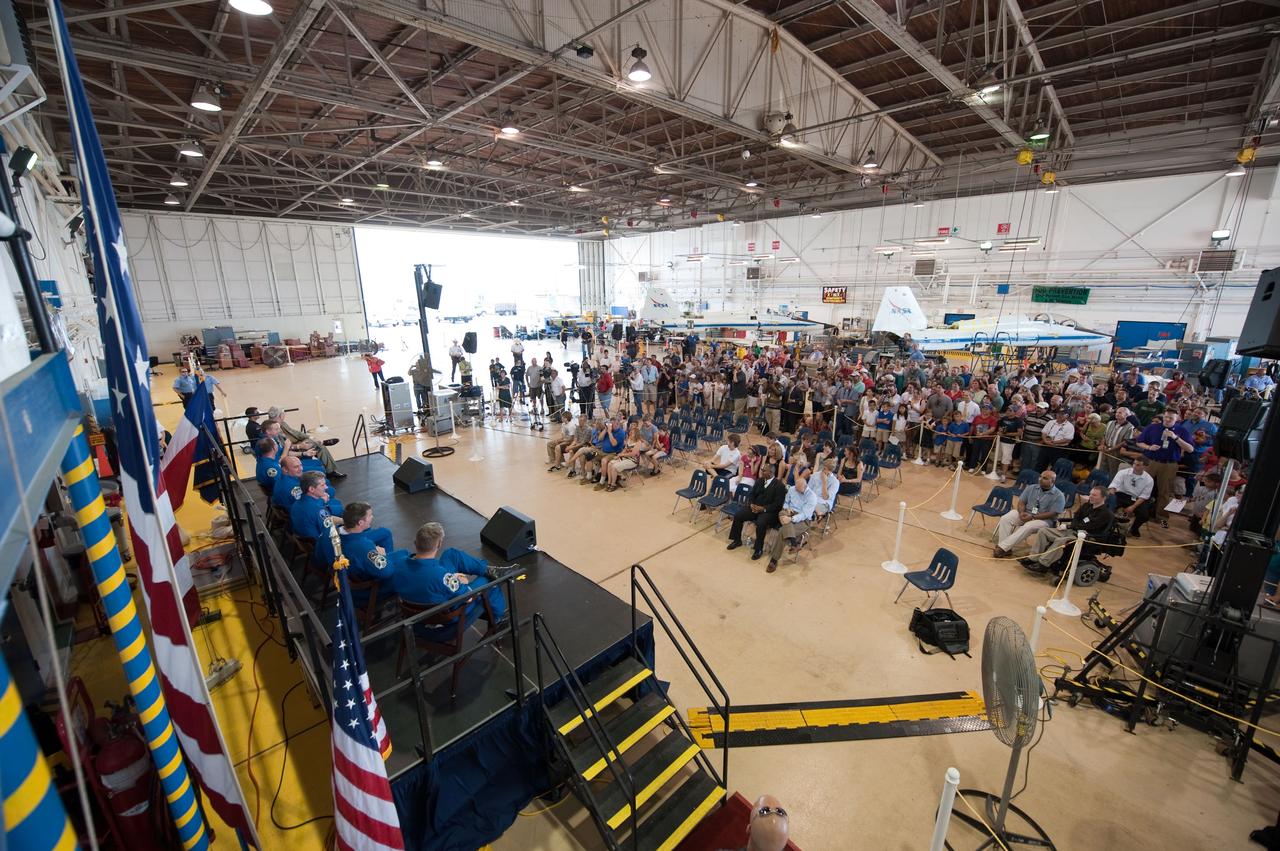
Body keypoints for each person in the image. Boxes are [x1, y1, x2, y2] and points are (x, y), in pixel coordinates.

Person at [391, 522, 509, 631]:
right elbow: (467, 596)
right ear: (439, 544)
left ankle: (488, 569)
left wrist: (451, 577)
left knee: (451, 554)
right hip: (444, 615)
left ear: (415, 543)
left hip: (421, 601)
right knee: (488, 581)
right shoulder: (441, 575)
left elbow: (435, 577)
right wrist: (461, 582)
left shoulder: (399, 564)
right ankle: (498, 620)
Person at [1023, 486, 1114, 571]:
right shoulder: (1087, 505)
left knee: (1060, 540)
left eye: (1094, 495)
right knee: (1043, 531)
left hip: (1085, 537)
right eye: (1090, 494)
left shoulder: (1105, 514)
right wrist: (1072, 526)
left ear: (1103, 497)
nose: (1090, 496)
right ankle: (1033, 557)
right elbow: (1076, 517)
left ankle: (1043, 564)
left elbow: (1089, 526)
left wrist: (1069, 526)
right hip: (1072, 531)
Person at [1135, 409, 1193, 528]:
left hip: (1169, 464)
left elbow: (1190, 449)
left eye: (1170, 418)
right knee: (1141, 486)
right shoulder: (1152, 427)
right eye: (1165, 417)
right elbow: (1139, 442)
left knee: (1164, 491)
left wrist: (1176, 438)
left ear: (1176, 419)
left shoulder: (1182, 430)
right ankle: (1136, 511)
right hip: (1150, 461)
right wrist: (1149, 447)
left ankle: (1162, 517)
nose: (1167, 420)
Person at [993, 470, 1066, 557]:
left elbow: (1053, 513)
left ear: (1052, 481)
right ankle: (1006, 548)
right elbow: (1021, 502)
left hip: (1045, 521)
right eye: (1040, 477)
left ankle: (1002, 548)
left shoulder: (1059, 495)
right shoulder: (1031, 488)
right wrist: (1021, 513)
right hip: (1026, 513)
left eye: (1045, 478)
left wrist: (1033, 517)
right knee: (1006, 518)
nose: (1040, 479)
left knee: (1029, 526)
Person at [726, 463, 787, 561]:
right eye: (762, 469)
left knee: (761, 523)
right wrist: (751, 504)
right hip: (754, 508)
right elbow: (751, 495)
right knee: (738, 515)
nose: (761, 471)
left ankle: (758, 549)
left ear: (771, 472)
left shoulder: (779, 486)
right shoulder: (759, 481)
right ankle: (737, 540)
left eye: (764, 470)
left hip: (769, 512)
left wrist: (763, 509)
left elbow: (777, 505)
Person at [268, 406, 345, 478]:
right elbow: (283, 447)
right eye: (284, 413)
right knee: (319, 447)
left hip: (297, 443)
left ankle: (330, 470)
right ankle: (329, 468)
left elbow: (295, 432)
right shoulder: (274, 429)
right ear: (280, 415)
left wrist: (309, 437)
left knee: (318, 446)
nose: (285, 415)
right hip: (291, 450)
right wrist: (300, 446)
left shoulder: (282, 423)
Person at [766, 472, 819, 573]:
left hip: (803, 520)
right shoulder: (792, 489)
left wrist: (791, 519)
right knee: (782, 513)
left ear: (805, 486)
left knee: (782, 531)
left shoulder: (812, 497)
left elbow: (805, 514)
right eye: (796, 489)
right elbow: (786, 503)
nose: (797, 491)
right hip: (788, 512)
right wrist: (787, 509)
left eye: (799, 490)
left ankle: (774, 560)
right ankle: (794, 542)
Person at [289, 471, 343, 540]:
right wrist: (343, 522)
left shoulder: (296, 503)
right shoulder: (318, 510)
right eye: (322, 485)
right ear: (311, 489)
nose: (326, 487)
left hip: (304, 537)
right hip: (319, 541)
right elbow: (328, 531)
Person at [1109, 457, 1155, 537]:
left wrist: (1133, 507)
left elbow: (1144, 496)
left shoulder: (1149, 480)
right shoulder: (1123, 472)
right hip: (1121, 495)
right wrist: (1111, 496)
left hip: (1137, 499)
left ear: (1144, 467)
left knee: (1144, 515)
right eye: (1134, 464)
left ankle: (1134, 529)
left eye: (1138, 465)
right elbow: (1114, 485)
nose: (1134, 466)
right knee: (1109, 505)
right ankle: (1109, 525)